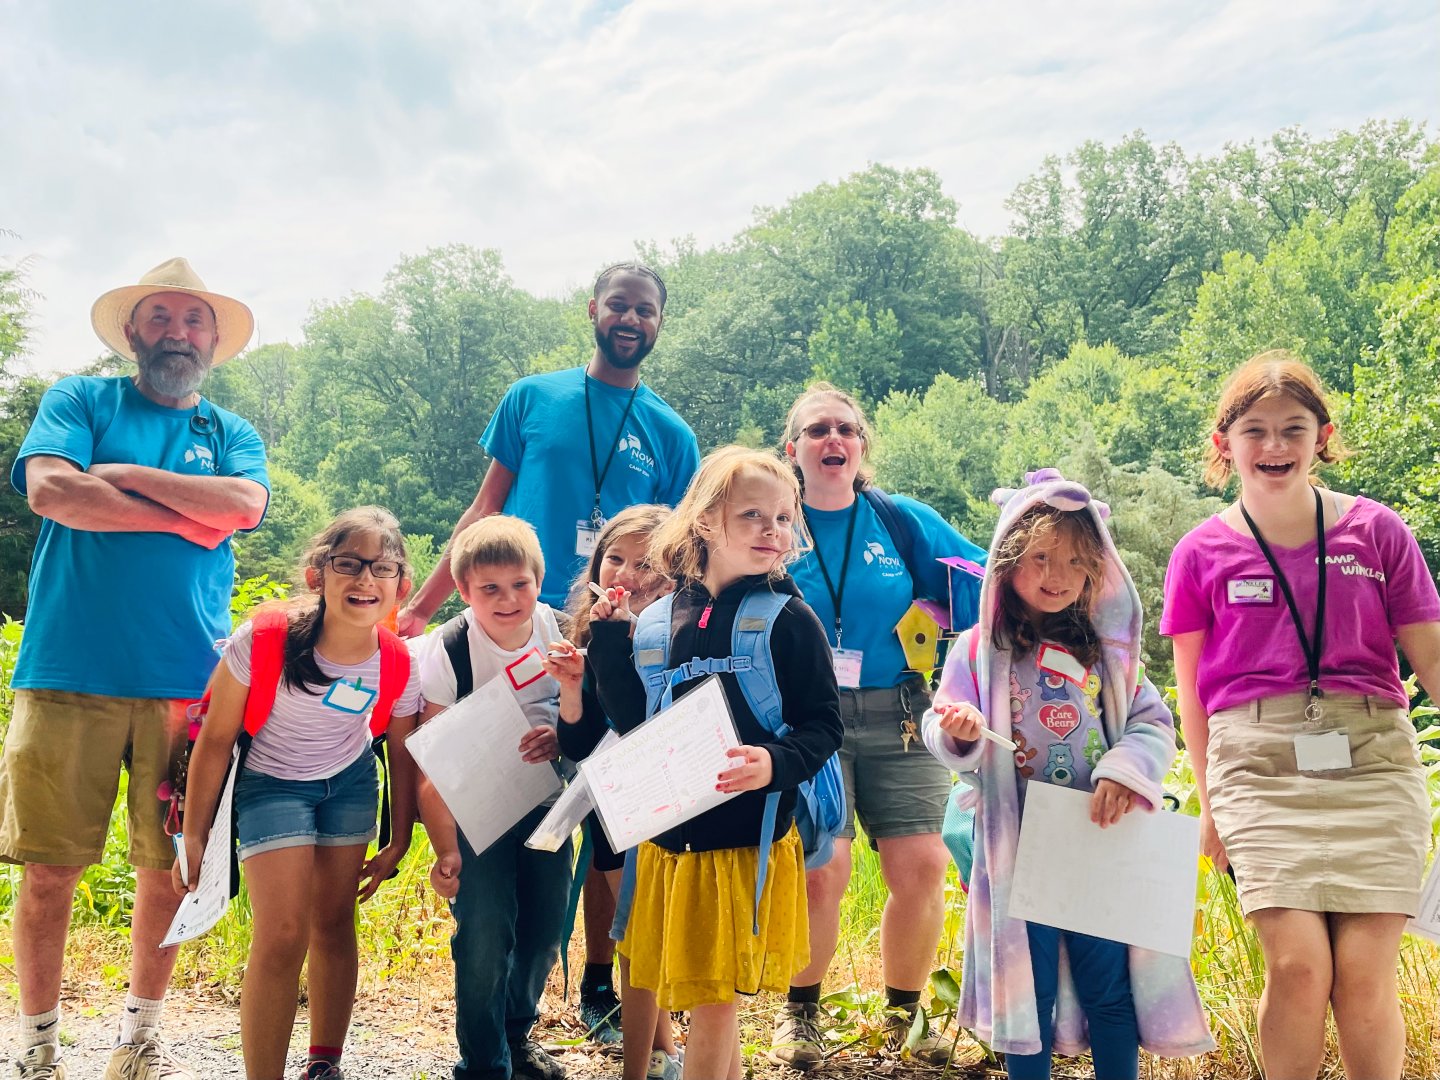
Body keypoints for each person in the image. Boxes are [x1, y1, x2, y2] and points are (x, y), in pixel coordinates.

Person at [1, 257, 270, 1080]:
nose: (176, 333)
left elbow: (245, 508)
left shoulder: (232, 434)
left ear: (214, 341)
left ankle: (138, 1040)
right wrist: (186, 514)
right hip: (63, 674)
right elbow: (53, 491)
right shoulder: (79, 399)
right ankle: (39, 1046)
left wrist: (116, 476)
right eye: (160, 317)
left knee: (170, 872)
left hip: (188, 685)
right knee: (49, 873)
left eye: (194, 321)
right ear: (131, 332)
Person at [1163, 352, 1440, 1080]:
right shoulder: (1199, 551)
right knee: (1297, 968)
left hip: (1375, 761)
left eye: (1294, 428)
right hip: (1256, 767)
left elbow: (1432, 659)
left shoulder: (1379, 532)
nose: (1276, 446)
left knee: (1363, 976)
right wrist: (1210, 802)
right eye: (1256, 431)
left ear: (1324, 435)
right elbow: (1191, 692)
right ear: (1225, 444)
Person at [922, 469, 1213, 1078]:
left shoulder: (1108, 656)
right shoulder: (976, 649)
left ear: (1095, 572)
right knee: (1028, 996)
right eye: (1040, 558)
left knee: (1109, 989)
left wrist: (1124, 771)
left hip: (1095, 846)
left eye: (1076, 562)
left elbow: (1153, 725)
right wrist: (959, 727)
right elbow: (943, 726)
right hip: (1016, 851)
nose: (1056, 576)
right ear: (1007, 561)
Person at [587, 446, 844, 1080]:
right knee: (710, 997)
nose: (773, 531)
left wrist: (773, 763)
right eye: (753, 514)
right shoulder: (655, 622)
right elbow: (633, 724)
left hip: (745, 846)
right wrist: (612, 640)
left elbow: (824, 726)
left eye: (785, 518)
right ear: (704, 521)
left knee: (714, 1002)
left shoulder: (790, 619)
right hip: (674, 847)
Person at [773, 383, 986, 1065]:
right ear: (792, 449)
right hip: (807, 719)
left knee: (923, 865)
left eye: (845, 429)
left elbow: (986, 577)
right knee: (820, 870)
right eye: (816, 431)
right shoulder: (773, 522)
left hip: (899, 713)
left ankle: (904, 1015)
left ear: (861, 445)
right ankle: (799, 1014)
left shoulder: (900, 520)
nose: (832, 440)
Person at [176, 507, 422, 1080]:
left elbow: (403, 753)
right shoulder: (263, 642)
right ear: (318, 575)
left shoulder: (399, 663)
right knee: (282, 932)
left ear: (401, 587)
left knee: (334, 922)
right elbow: (215, 742)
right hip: (273, 784)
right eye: (349, 565)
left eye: (382, 569)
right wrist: (193, 834)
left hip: (350, 785)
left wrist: (401, 835)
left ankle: (324, 1065)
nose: (365, 581)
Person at [397, 261, 700, 622]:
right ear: (593, 310)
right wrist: (420, 610)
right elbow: (483, 511)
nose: (630, 318)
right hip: (514, 615)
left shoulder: (673, 434)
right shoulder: (531, 396)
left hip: (610, 625)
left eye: (644, 311)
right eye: (618, 305)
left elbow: (679, 553)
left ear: (659, 323)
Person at [415, 516, 573, 1080]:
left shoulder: (557, 628)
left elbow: (580, 714)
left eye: (520, 585)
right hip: (474, 811)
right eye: (490, 589)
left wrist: (561, 734)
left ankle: (515, 1033)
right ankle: (483, 1063)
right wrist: (445, 850)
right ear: (463, 591)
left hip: (548, 801)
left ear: (539, 579)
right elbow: (429, 757)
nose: (508, 600)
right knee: (484, 934)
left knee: (544, 927)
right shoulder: (450, 649)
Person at [547, 505, 682, 1080]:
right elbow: (580, 740)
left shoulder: (682, 628)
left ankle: (653, 1061)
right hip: (608, 801)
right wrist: (573, 690)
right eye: (615, 558)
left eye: (646, 562)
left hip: (669, 799)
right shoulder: (589, 625)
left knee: (647, 939)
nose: (627, 573)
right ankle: (664, 1055)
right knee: (633, 938)